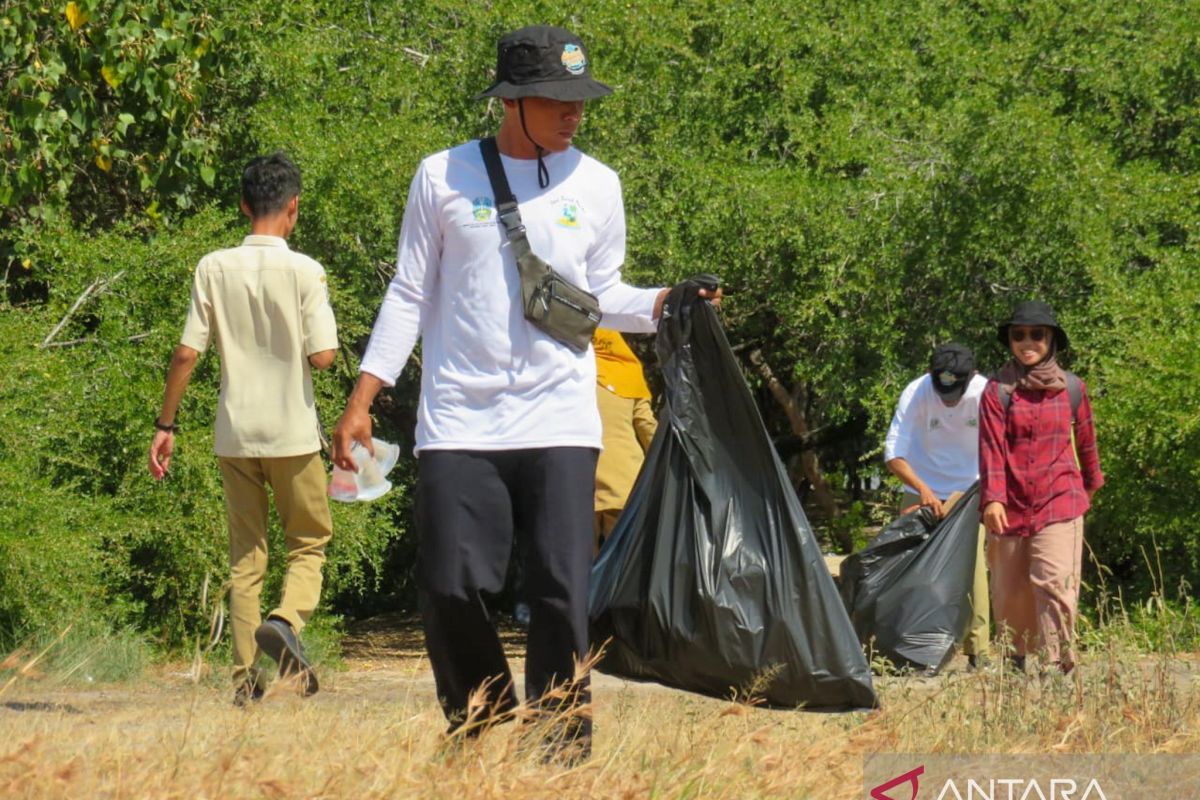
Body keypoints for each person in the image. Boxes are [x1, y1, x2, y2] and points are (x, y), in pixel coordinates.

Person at [331, 25, 719, 758]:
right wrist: (362, 397)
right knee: (451, 584)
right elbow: (409, 294)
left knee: (562, 596)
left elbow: (601, 295)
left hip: (561, 419)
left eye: (581, 99)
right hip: (460, 422)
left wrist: (670, 298)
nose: (575, 113)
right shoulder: (441, 176)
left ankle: (560, 748)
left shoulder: (599, 185)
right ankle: (479, 715)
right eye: (557, 99)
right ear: (510, 101)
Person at [147, 152, 338, 706]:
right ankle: (286, 620)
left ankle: (245, 682)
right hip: (293, 435)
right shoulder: (305, 271)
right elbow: (323, 356)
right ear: (294, 208)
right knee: (309, 543)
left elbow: (186, 354)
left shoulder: (212, 267)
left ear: (242, 205)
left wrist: (166, 424)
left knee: (245, 558)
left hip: (233, 433)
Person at [979, 300, 1103, 675]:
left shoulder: (1072, 389)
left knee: (1054, 583)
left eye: (1037, 334)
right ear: (1010, 341)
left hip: (1060, 500)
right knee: (1010, 589)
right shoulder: (997, 391)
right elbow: (991, 448)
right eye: (1019, 335)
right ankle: (1015, 662)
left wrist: (1089, 487)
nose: (1027, 341)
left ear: (1051, 340)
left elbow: (1087, 442)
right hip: (1010, 503)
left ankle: (1056, 666)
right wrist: (993, 499)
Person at [884, 343, 991, 669]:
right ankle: (908, 647)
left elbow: (1000, 446)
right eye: (942, 389)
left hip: (971, 488)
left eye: (954, 391)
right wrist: (923, 491)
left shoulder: (985, 393)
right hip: (921, 484)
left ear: (970, 377)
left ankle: (979, 651)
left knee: (972, 570)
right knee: (911, 565)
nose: (948, 398)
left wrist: (981, 492)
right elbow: (893, 452)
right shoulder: (915, 392)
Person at [593, 328, 657, 555]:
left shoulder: (570, 374)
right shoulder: (628, 370)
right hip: (627, 483)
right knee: (622, 569)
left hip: (579, 485)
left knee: (578, 573)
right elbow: (647, 427)